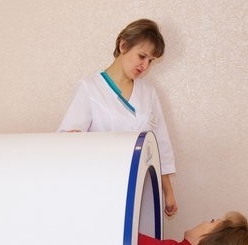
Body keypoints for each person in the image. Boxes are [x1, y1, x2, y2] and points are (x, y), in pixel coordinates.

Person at [58, 19, 178, 216]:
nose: (145, 65)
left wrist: (168, 192)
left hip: (140, 187)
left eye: (150, 61)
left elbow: (160, 143)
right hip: (100, 186)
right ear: (123, 45)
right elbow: (66, 139)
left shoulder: (148, 93)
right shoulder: (90, 88)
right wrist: (72, 139)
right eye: (142, 56)